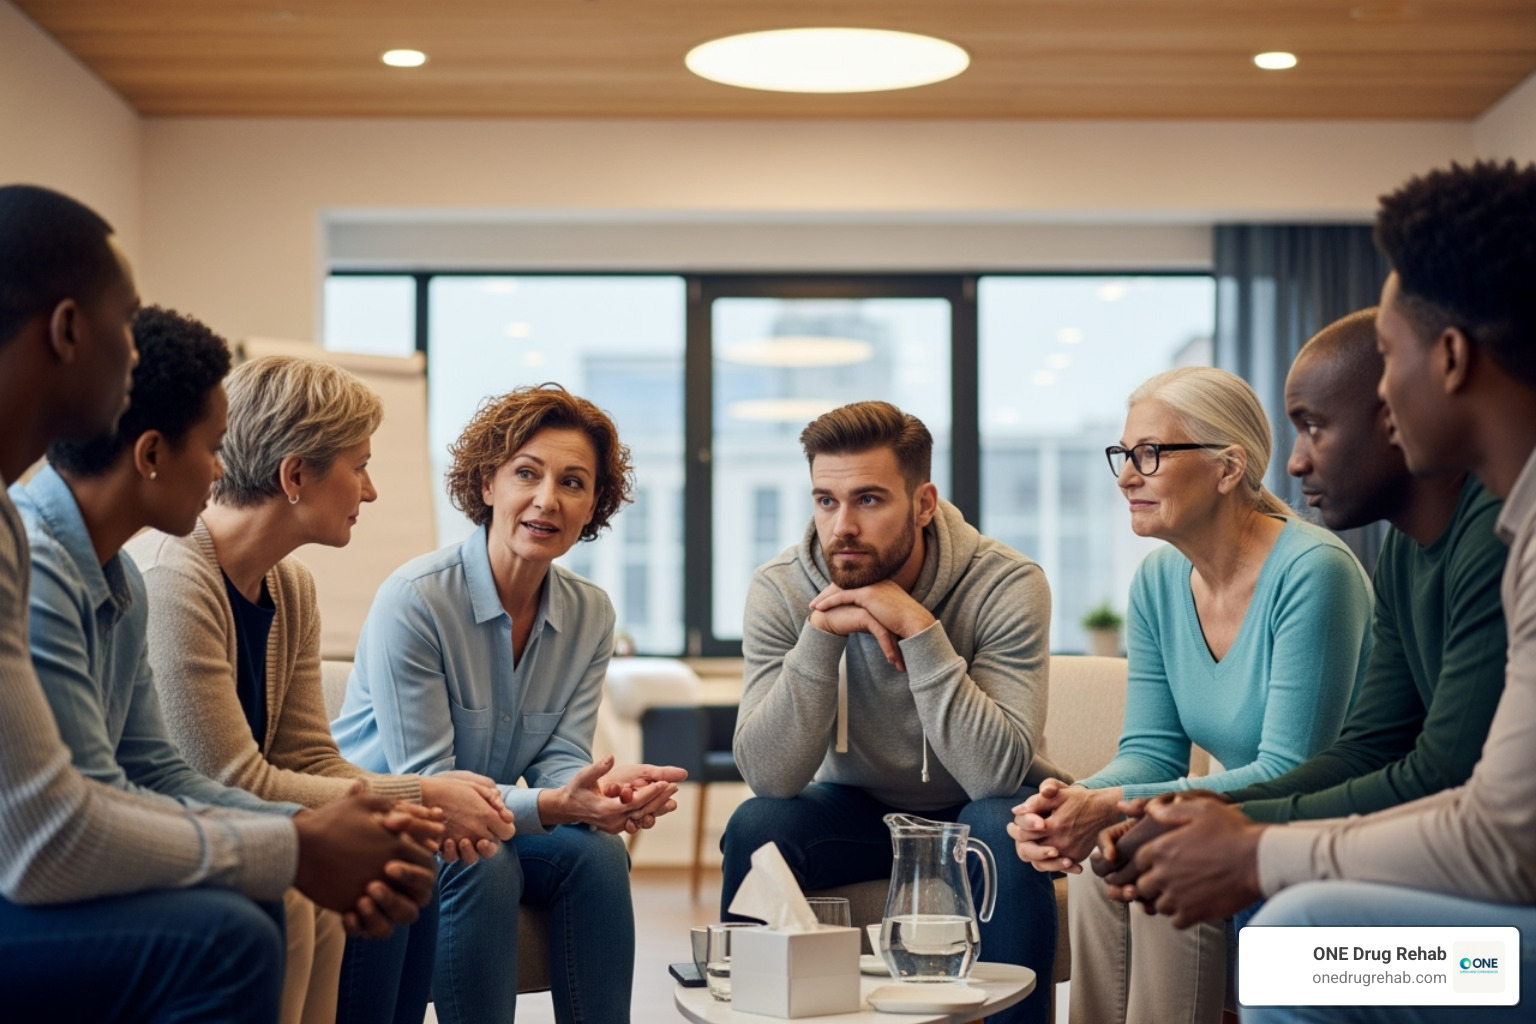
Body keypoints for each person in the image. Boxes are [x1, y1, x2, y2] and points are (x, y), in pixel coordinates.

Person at [1096, 160, 1536, 1024]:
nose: (1292, 465)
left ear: (1446, 359)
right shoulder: (1422, 548)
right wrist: (1184, 820)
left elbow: (1491, 827)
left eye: (1391, 364)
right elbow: (1372, 752)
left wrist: (1260, 852)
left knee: (1304, 944)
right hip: (1503, 906)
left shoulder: (1497, 538)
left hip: (1502, 942)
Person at [0, 184, 438, 1022]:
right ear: (65, 331)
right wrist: (293, 845)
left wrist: (335, 830)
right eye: (124, 324)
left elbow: (150, 770)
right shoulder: (91, 562)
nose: (220, 469)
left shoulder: (114, 581)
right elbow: (55, 831)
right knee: (231, 930)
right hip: (25, 877)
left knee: (285, 898)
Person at [126, 353, 514, 1024]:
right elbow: (229, 780)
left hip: (241, 823)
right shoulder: (173, 578)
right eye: (359, 466)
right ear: (295, 475)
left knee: (406, 866)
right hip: (179, 835)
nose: (369, 492)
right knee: (340, 879)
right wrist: (421, 797)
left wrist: (409, 817)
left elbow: (309, 760)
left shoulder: (290, 587)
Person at [1010, 366, 1374, 1024]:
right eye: (1123, 454)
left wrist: (1109, 804)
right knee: (1109, 850)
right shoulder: (1158, 580)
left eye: (1148, 454)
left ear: (1228, 467)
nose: (1125, 475)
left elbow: (1292, 771)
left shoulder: (1314, 572)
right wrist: (1076, 800)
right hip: (1231, 816)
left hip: (1327, 830)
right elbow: (1150, 753)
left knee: (1153, 851)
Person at [333, 383, 687, 1024]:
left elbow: (560, 755)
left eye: (574, 483)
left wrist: (598, 795)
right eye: (527, 473)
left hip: (492, 821)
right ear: (488, 484)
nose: (547, 499)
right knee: (483, 855)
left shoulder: (590, 612)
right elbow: (434, 787)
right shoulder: (415, 600)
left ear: (593, 507)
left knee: (598, 852)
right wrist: (556, 803)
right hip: (397, 827)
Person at [722, 400, 1063, 1024]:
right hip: (852, 811)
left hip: (970, 810)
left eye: (869, 500)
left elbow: (993, 773)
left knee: (1002, 824)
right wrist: (820, 635)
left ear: (924, 503)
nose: (841, 526)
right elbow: (770, 775)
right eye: (826, 500)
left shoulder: (1007, 583)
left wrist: (918, 626)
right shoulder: (781, 587)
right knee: (757, 822)